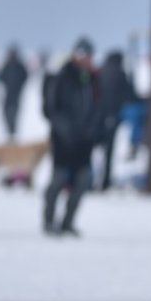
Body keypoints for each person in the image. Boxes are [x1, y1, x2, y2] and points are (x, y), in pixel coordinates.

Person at [42, 37, 105, 237]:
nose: (86, 59)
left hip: (84, 141)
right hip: (63, 140)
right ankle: (49, 221)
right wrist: (64, 129)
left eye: (88, 55)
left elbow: (98, 107)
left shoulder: (93, 79)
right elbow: (51, 108)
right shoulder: (62, 76)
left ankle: (67, 222)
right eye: (82, 54)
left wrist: (94, 130)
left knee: (83, 181)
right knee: (58, 180)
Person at [97, 50, 137, 191]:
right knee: (108, 152)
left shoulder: (101, 72)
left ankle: (91, 180)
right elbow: (129, 94)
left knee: (94, 152)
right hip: (112, 117)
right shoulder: (119, 73)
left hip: (97, 118)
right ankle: (105, 181)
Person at [0, 44, 29, 139]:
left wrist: (20, 86)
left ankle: (13, 133)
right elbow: (2, 77)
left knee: (14, 115)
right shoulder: (7, 65)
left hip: (16, 95)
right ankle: (9, 133)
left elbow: (25, 76)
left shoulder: (19, 66)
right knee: (7, 114)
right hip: (8, 95)